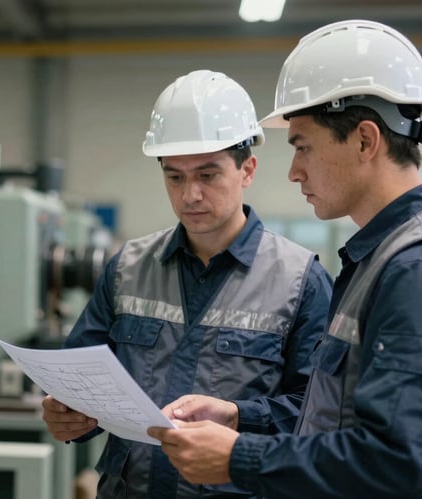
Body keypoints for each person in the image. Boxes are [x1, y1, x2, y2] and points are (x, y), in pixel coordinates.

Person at [148, 20, 422, 499]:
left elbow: (397, 464)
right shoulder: (383, 257)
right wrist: (241, 417)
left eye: (302, 146)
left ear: (364, 140)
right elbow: (336, 417)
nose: (294, 172)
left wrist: (239, 458)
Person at [41, 69, 333, 498]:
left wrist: (239, 415)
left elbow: (320, 414)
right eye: (174, 176)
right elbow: (80, 378)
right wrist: (67, 415)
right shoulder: (127, 267)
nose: (189, 195)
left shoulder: (300, 280)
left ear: (247, 169)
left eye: (208, 175)